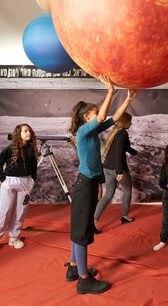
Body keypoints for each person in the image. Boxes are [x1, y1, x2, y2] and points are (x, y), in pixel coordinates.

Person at [66, 76, 137, 295]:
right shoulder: (83, 131)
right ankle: (83, 280)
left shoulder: (92, 131)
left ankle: (73, 268)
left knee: (81, 227)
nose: (98, 117)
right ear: (87, 117)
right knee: (82, 232)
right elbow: (105, 115)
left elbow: (114, 118)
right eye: (94, 114)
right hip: (84, 184)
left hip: (89, 182)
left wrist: (127, 99)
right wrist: (109, 91)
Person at [0, 124, 38, 256]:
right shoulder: (8, 149)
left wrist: (32, 180)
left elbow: (34, 167)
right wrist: (3, 179)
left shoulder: (32, 150)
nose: (28, 133)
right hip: (10, 181)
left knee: (20, 211)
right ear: (18, 133)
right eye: (25, 131)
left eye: (29, 131)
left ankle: (14, 237)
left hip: (26, 182)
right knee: (4, 211)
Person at [94, 112, 142, 229]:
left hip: (107, 168)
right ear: (125, 122)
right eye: (130, 121)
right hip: (117, 168)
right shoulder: (123, 133)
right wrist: (120, 172)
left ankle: (94, 221)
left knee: (108, 194)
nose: (131, 123)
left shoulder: (115, 132)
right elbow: (119, 153)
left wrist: (135, 152)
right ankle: (125, 215)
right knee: (127, 190)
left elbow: (124, 147)